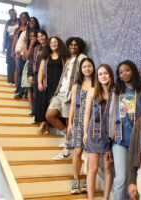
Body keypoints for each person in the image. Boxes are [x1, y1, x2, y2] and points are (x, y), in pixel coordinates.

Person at [108, 60, 141, 200]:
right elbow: (111, 115)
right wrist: (109, 140)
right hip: (120, 141)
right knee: (121, 178)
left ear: (133, 71)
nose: (124, 74)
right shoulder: (116, 92)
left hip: (139, 141)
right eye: (120, 72)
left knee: (139, 178)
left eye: (126, 70)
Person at [46, 37, 87, 160]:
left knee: (70, 122)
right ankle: (68, 138)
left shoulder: (83, 59)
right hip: (60, 92)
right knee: (49, 115)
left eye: (76, 45)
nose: (73, 47)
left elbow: (84, 76)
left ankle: (66, 152)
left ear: (80, 47)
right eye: (71, 45)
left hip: (70, 94)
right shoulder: (69, 60)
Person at [83, 64, 114, 200]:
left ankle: (106, 198)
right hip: (93, 133)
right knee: (93, 168)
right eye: (100, 74)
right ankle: (91, 198)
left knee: (108, 169)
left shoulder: (115, 92)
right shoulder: (92, 91)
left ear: (110, 75)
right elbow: (87, 113)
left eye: (106, 73)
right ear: (97, 76)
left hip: (110, 135)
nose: (103, 76)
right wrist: (85, 132)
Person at [67, 58, 95, 194]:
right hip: (78, 121)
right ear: (81, 69)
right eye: (84, 66)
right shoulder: (76, 86)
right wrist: (69, 124)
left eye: (89, 66)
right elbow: (72, 105)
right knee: (77, 151)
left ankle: (87, 181)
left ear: (93, 68)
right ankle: (76, 181)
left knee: (91, 154)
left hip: (93, 123)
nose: (87, 69)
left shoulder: (97, 85)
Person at [36, 36, 70, 133]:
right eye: (51, 43)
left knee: (54, 105)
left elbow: (68, 71)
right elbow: (41, 71)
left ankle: (45, 124)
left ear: (59, 43)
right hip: (47, 84)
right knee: (46, 103)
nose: (53, 44)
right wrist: (39, 83)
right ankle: (44, 124)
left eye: (55, 42)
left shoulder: (64, 56)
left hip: (60, 85)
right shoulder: (46, 56)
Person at [14, 16, 40, 100]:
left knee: (30, 76)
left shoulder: (39, 33)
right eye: (30, 21)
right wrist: (19, 52)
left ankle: (25, 93)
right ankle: (20, 92)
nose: (32, 22)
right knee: (22, 74)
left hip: (34, 57)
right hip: (24, 55)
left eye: (34, 21)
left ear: (36, 23)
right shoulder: (25, 33)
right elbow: (20, 43)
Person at [28, 29, 48, 127]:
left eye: (42, 36)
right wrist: (30, 74)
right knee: (36, 96)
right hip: (36, 74)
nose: (40, 38)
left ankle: (44, 120)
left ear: (46, 36)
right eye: (38, 37)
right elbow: (31, 61)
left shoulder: (49, 47)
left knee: (45, 98)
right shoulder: (36, 48)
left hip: (48, 75)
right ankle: (36, 116)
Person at [2, 8, 18, 85]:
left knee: (16, 61)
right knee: (9, 61)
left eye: (13, 13)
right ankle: (10, 80)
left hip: (18, 41)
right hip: (9, 42)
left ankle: (15, 80)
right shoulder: (8, 22)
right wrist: (3, 47)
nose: (12, 14)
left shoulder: (20, 21)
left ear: (16, 13)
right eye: (10, 13)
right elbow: (5, 36)